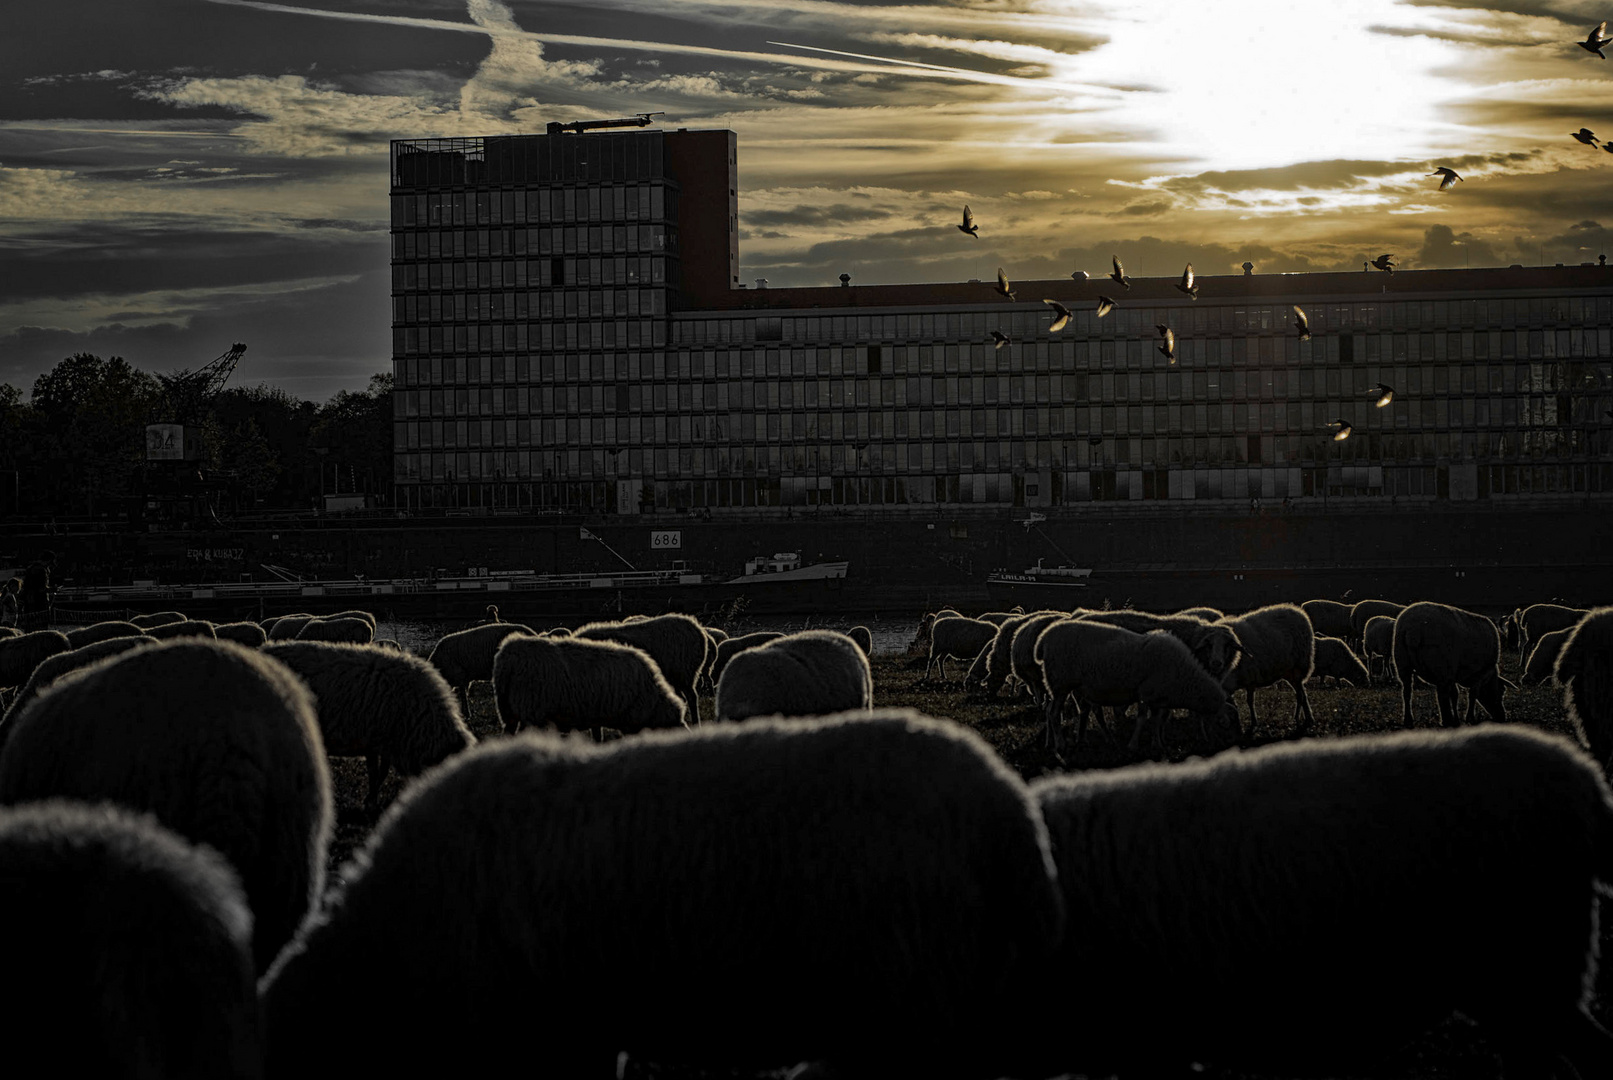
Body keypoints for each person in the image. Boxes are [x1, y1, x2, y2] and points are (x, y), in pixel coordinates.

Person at [20, 550, 53, 616]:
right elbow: (42, 588)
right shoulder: (42, 570)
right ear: (49, 560)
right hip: (40, 601)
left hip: (29, 600)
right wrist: (52, 589)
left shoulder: (30, 568)